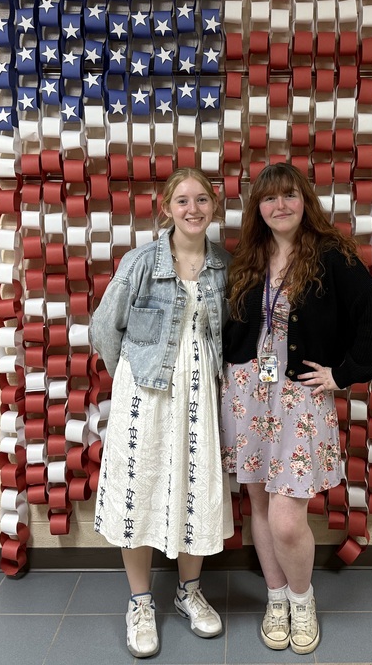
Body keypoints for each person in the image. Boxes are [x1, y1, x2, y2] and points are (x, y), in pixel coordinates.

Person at [221, 162, 372, 655]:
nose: (280, 206)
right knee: (258, 502)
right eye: (270, 198)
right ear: (258, 208)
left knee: (285, 516)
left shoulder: (330, 256)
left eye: (290, 196)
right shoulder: (248, 258)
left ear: (305, 202)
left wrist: (342, 374)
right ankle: (275, 599)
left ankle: (303, 600)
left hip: (299, 397)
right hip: (247, 393)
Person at [91, 168, 233, 659]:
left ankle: (189, 592)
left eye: (201, 200)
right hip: (146, 393)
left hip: (201, 394)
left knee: (195, 486)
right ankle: (140, 602)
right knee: (140, 489)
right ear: (167, 208)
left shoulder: (223, 265)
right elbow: (105, 328)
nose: (192, 209)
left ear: (213, 206)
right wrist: (133, 373)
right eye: (182, 201)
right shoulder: (142, 261)